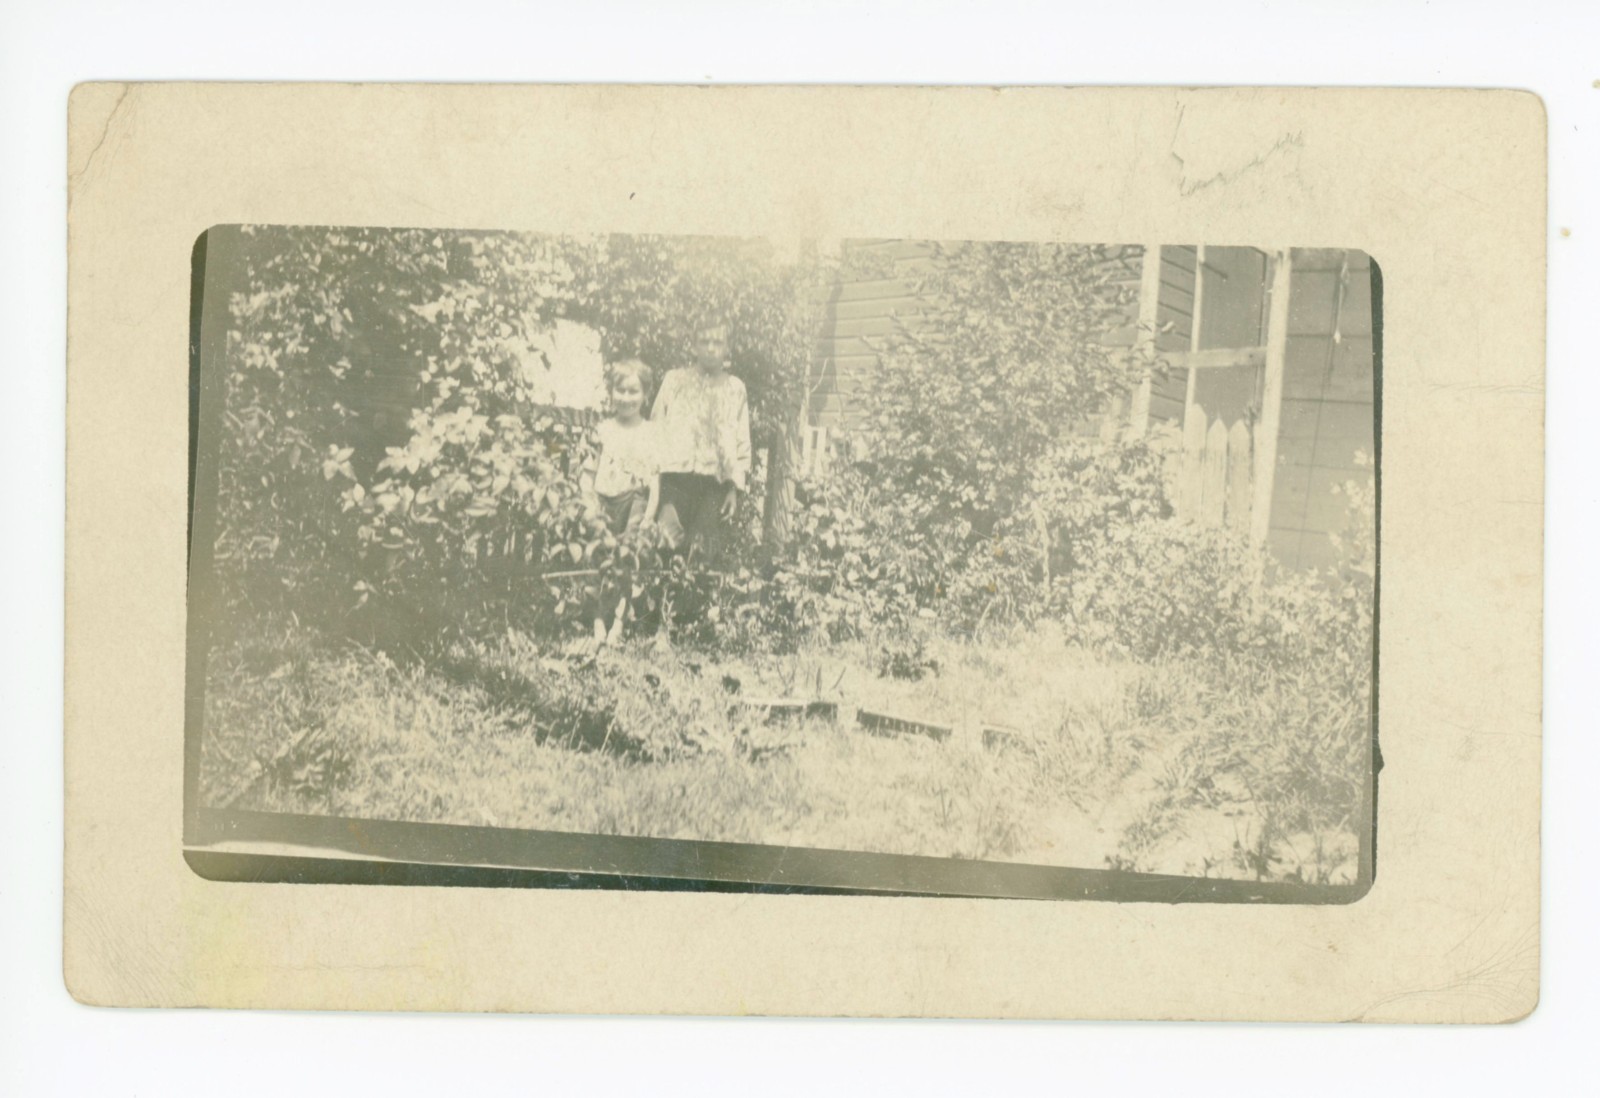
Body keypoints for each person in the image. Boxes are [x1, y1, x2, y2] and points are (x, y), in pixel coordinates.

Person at [651, 323, 752, 566]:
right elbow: (655, 431)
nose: (710, 348)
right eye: (704, 341)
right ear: (694, 345)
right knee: (665, 545)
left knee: (700, 554)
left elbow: (742, 445)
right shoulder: (674, 381)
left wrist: (733, 490)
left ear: (727, 347)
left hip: (712, 487)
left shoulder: (735, 389)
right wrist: (656, 489)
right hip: (674, 483)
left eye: (717, 342)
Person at [584, 358, 659, 645]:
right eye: (621, 391)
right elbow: (588, 471)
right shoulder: (603, 429)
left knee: (627, 561)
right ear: (611, 391)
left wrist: (649, 515)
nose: (626, 398)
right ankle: (597, 621)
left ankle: (618, 624)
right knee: (599, 560)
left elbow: (654, 481)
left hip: (635, 500)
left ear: (645, 395)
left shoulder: (650, 432)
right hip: (604, 500)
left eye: (633, 392)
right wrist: (589, 504)